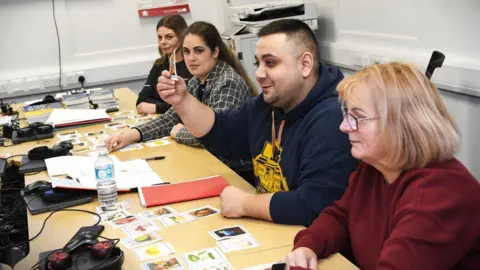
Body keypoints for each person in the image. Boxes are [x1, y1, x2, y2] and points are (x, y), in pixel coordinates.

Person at [156, 19, 358, 226]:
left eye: (270, 63)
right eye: (257, 63)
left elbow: (315, 204)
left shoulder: (333, 118)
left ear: (305, 64)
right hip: (275, 228)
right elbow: (221, 133)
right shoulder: (267, 104)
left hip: (314, 245)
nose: (259, 74)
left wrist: (246, 204)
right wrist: (182, 101)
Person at [285, 62, 480, 270]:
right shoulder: (376, 167)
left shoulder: (440, 194)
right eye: (347, 115)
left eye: (358, 117)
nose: (344, 127)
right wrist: (308, 246)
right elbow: (341, 217)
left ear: (401, 123)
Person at [106, 21, 256, 173]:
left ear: (215, 51)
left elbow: (215, 134)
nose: (191, 58)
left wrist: (179, 132)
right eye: (186, 51)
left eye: (198, 51)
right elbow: (169, 119)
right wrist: (131, 135)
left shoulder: (228, 82)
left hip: (235, 170)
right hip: (211, 162)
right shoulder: (195, 80)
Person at [136, 14, 191, 114]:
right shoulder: (159, 65)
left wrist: (157, 107)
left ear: (182, 37)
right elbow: (142, 99)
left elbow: (189, 106)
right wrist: (165, 106)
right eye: (159, 37)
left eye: (169, 37)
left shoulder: (192, 65)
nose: (163, 42)